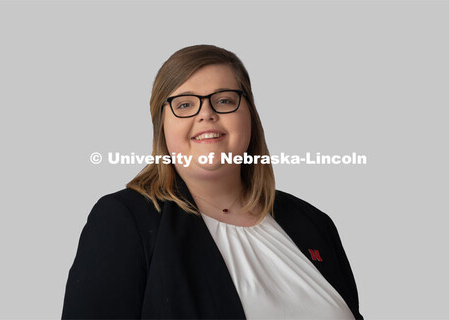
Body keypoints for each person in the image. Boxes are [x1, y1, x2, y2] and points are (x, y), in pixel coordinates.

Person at [61, 44, 363, 319]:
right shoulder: (124, 220)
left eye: (224, 100)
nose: (206, 113)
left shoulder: (314, 223)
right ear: (162, 126)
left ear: (250, 116)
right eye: (184, 105)